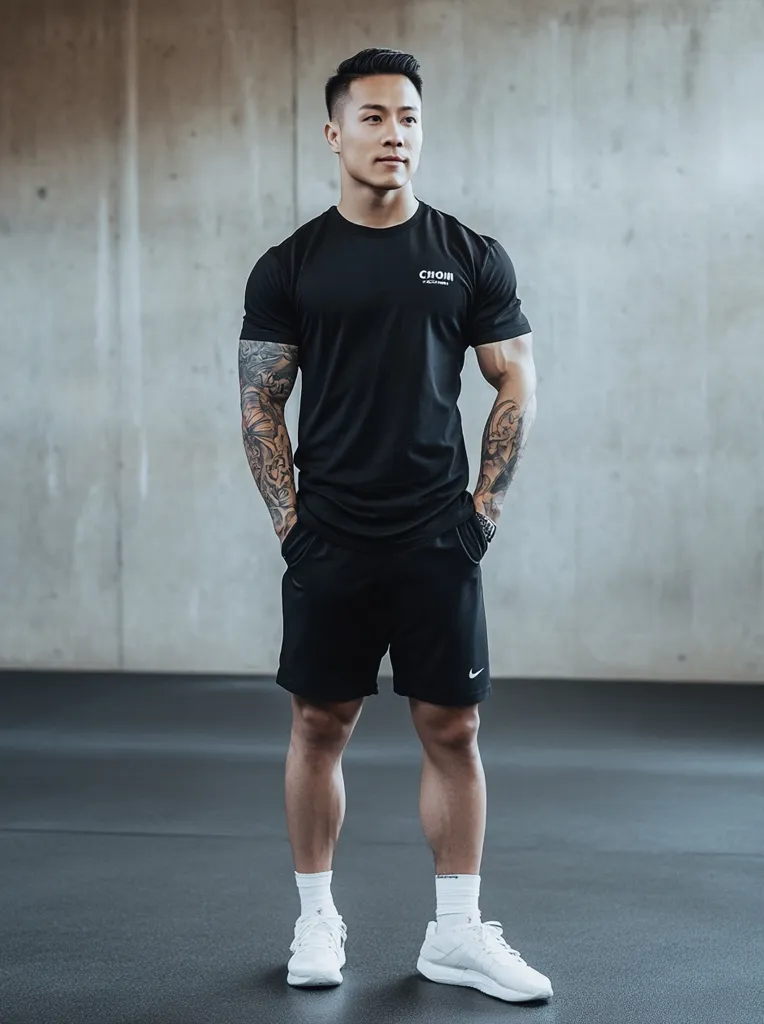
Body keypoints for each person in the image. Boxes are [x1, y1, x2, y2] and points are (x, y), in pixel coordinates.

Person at [238, 47, 552, 1004]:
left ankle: (455, 935)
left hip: (434, 535)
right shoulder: (290, 265)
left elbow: (515, 379)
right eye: (373, 118)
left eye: (408, 118)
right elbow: (260, 405)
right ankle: (315, 918)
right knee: (318, 723)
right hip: (330, 533)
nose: (394, 134)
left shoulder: (468, 256)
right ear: (335, 133)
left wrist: (482, 511)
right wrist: (293, 524)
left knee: (452, 728)